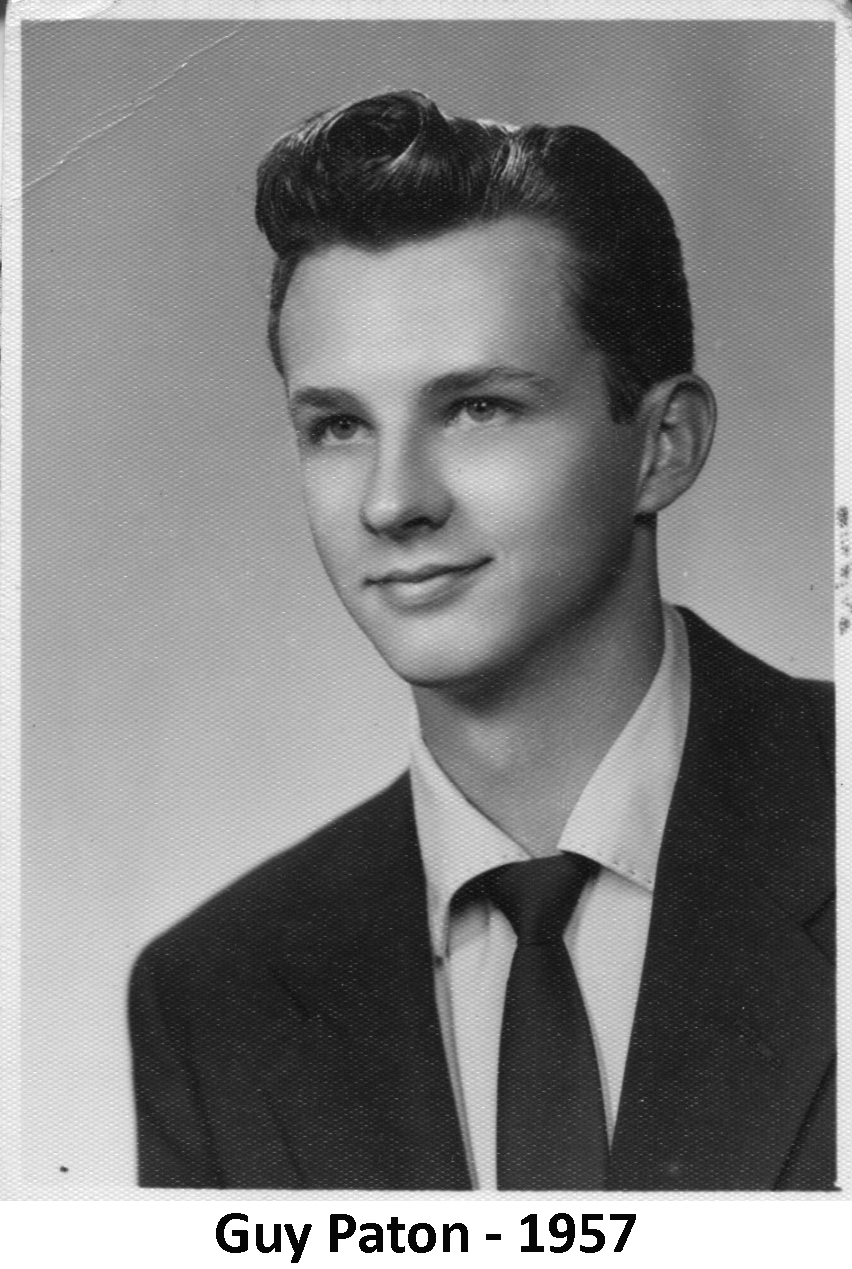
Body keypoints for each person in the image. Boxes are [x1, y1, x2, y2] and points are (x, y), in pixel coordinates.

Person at [128, 90, 835, 1190]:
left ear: (664, 446)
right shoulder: (212, 994)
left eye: (478, 408)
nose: (392, 502)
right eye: (338, 426)